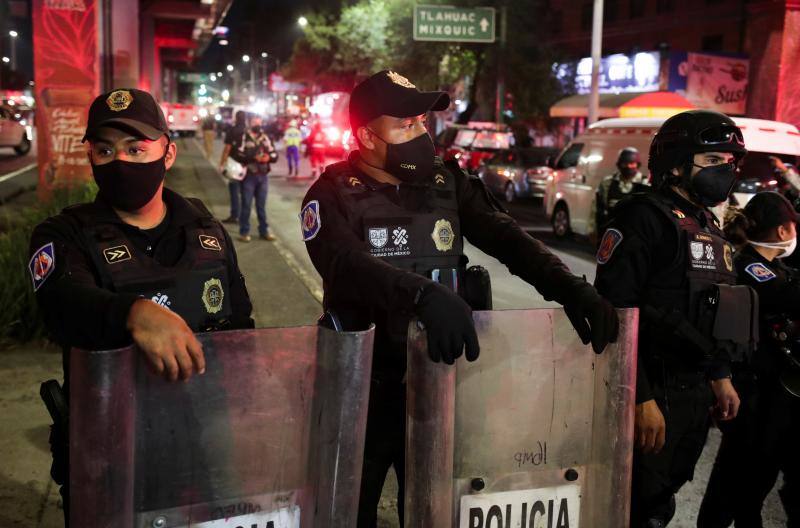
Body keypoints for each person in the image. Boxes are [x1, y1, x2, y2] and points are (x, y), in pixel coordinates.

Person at [300, 70, 619, 527]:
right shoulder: (330, 195)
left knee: (436, 511)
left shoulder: (447, 183)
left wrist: (570, 287)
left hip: (440, 386)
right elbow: (345, 265)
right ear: (367, 136)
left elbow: (509, 239)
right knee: (347, 512)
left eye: (422, 122)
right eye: (406, 125)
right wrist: (421, 294)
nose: (421, 133)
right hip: (362, 392)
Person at [29, 88, 254, 524]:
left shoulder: (207, 230)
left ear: (168, 153)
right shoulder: (63, 234)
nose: (120, 161)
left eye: (136, 149)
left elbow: (242, 326)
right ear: (91, 157)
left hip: (202, 442)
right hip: (109, 449)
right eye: (105, 150)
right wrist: (134, 313)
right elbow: (61, 302)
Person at [594, 110, 758, 528]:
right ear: (677, 164)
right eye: (713, 160)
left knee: (661, 500)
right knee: (629, 506)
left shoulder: (707, 224)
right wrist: (639, 397)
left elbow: (711, 308)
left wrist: (720, 376)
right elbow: (614, 313)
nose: (726, 171)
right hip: (650, 388)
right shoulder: (643, 218)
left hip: (694, 392)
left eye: (730, 163)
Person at [697, 191, 800, 527]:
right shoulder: (750, 267)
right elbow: (786, 294)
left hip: (770, 397)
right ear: (783, 230)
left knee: (752, 487)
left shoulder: (773, 266)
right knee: (733, 488)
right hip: (751, 394)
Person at [593, 147, 648, 240]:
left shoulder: (645, 184)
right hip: (610, 234)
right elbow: (598, 208)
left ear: (637, 165)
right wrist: (594, 230)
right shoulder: (607, 183)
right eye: (625, 164)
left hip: (634, 236)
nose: (628, 167)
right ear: (619, 165)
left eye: (632, 164)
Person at [238, 115, 276, 242]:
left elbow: (274, 155)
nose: (257, 125)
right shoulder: (244, 137)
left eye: (259, 122)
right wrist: (253, 157)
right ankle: (244, 232)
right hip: (248, 176)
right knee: (246, 205)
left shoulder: (265, 138)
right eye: (255, 122)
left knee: (261, 206)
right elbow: (238, 155)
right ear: (250, 123)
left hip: (263, 176)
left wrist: (268, 158)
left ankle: (264, 231)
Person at [219, 110, 247, 224]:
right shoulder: (248, 130)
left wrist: (222, 162)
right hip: (246, 163)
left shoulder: (232, 130)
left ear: (236, 118)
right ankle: (244, 217)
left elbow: (227, 148)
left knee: (234, 191)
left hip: (234, 163)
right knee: (245, 193)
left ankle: (235, 215)